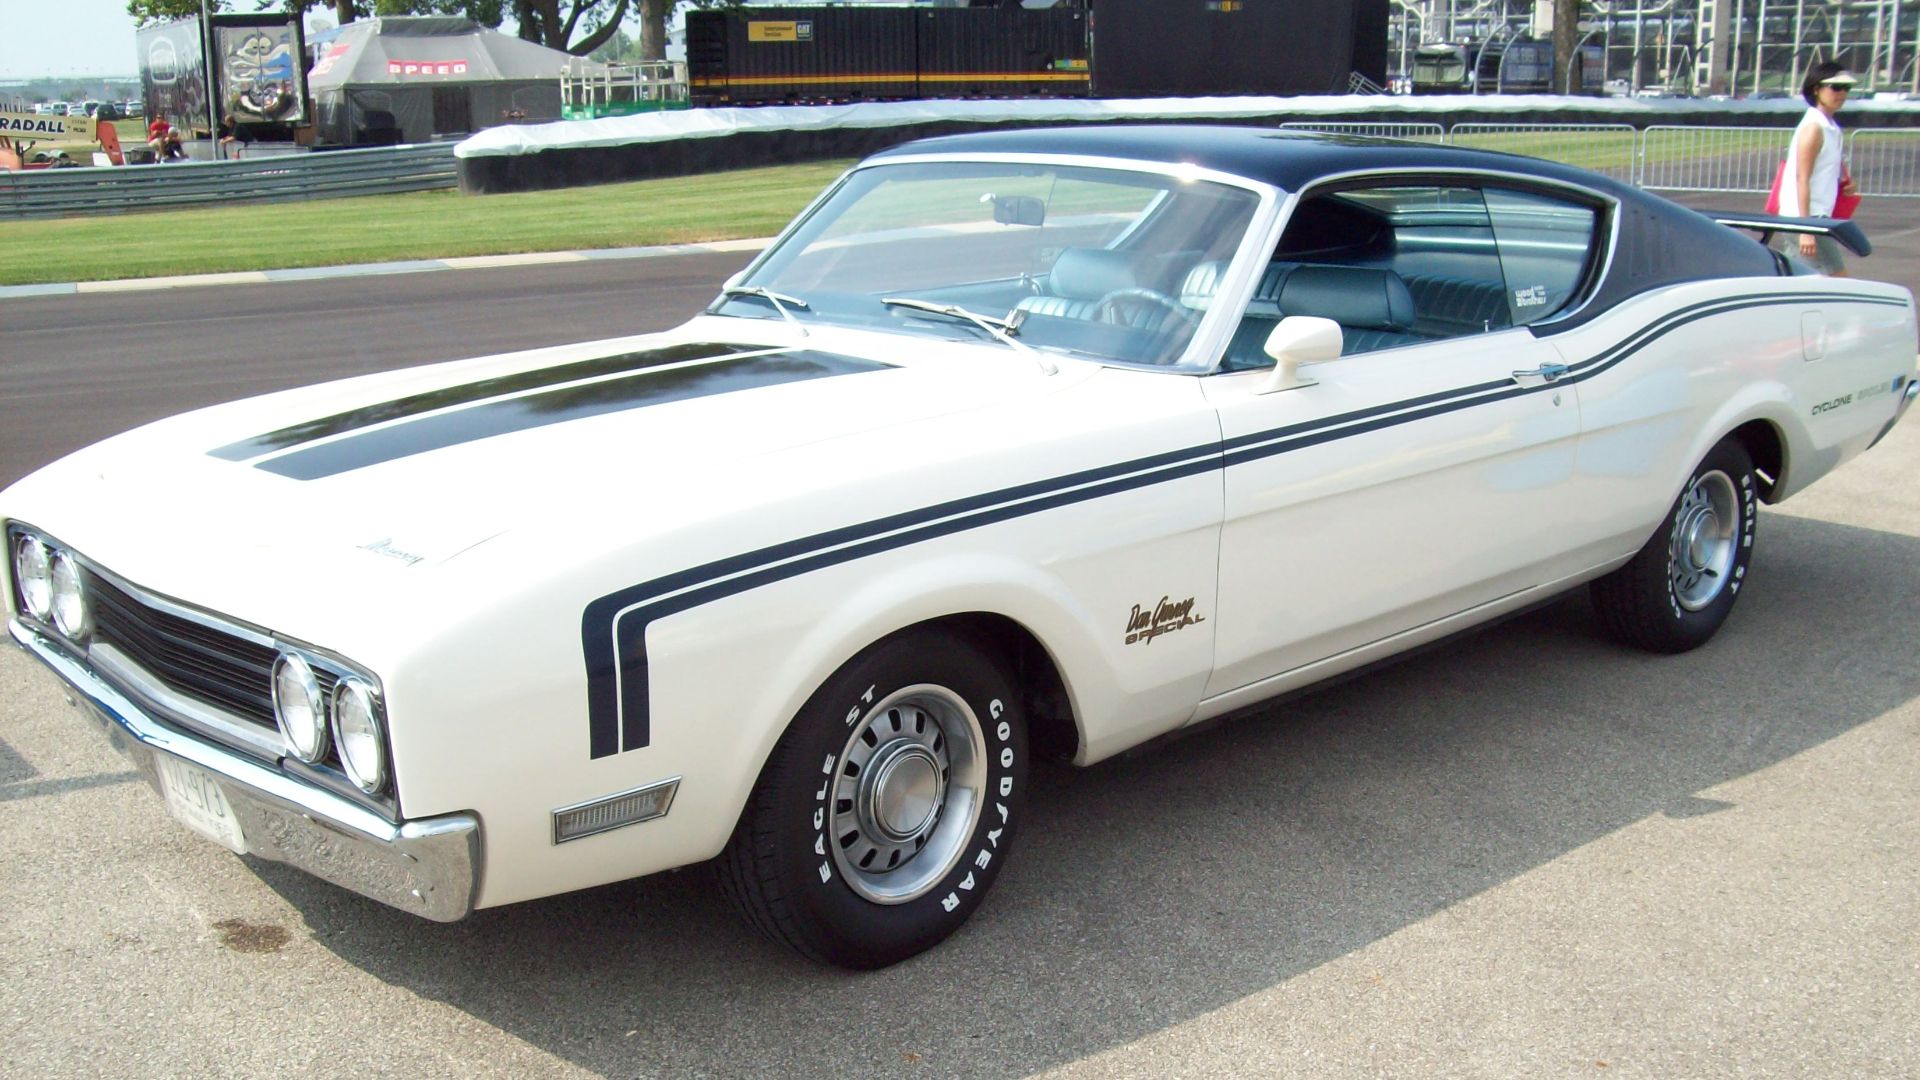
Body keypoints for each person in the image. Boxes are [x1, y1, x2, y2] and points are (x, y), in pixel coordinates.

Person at [1774, 61, 1859, 276]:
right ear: (1816, 89)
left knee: (1804, 280)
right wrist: (1805, 230)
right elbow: (1801, 178)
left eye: (1846, 88)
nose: (1842, 93)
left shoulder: (1830, 127)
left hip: (1817, 217)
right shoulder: (1814, 128)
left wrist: (1844, 186)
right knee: (1838, 280)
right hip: (1806, 219)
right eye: (1835, 87)